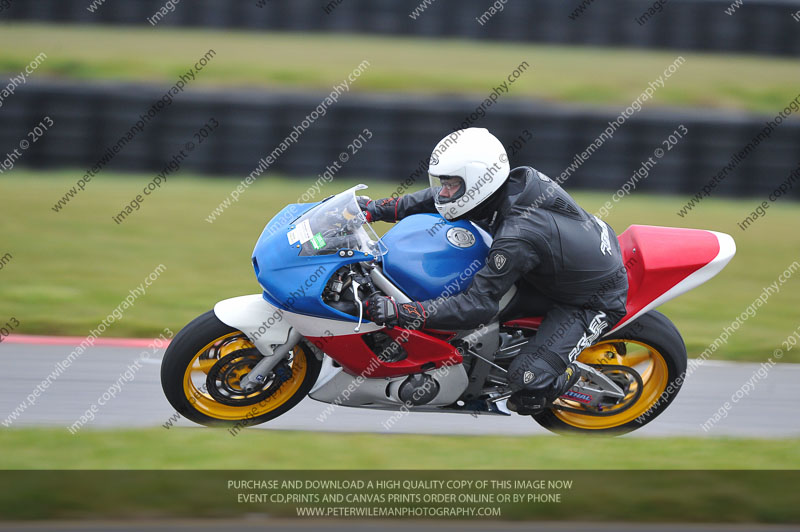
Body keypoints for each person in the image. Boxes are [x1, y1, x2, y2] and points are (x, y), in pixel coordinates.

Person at [360, 127, 628, 414]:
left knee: (526, 386)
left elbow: (477, 307)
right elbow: (437, 198)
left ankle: (567, 377)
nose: (445, 192)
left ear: (477, 182)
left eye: (452, 185)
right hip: (559, 263)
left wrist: (403, 313)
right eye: (445, 183)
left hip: (590, 299)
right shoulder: (511, 182)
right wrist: (374, 209)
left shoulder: (516, 236)